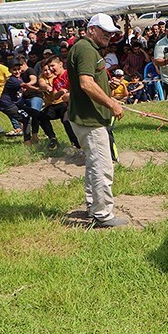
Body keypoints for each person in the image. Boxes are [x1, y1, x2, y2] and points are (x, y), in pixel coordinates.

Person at [67, 13, 127, 228]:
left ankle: (94, 206)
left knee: (94, 164)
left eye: (112, 33)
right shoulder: (85, 49)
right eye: (105, 31)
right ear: (92, 29)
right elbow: (86, 83)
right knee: (102, 166)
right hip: (89, 120)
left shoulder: (88, 48)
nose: (109, 36)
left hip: (89, 117)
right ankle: (102, 214)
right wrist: (112, 104)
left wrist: (109, 99)